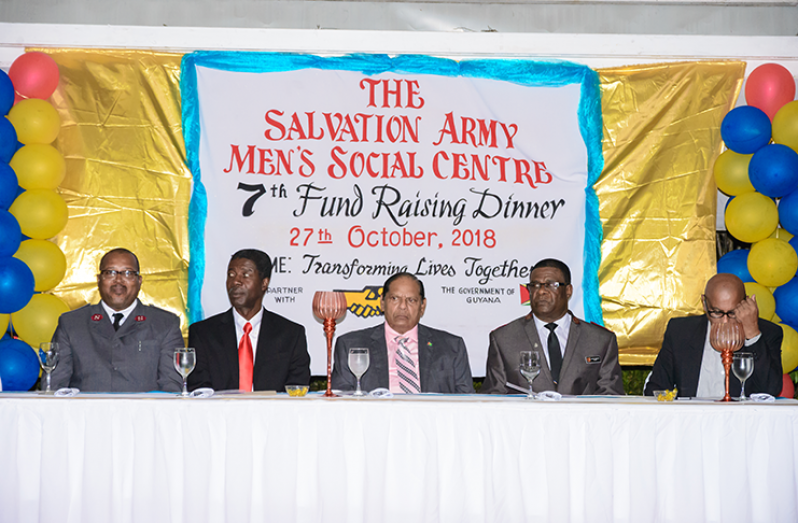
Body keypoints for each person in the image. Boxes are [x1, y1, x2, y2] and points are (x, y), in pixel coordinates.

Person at [482, 258, 624, 395]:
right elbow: (494, 398)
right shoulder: (504, 339)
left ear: (568, 290)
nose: (542, 291)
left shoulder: (599, 340)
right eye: (535, 285)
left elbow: (610, 397)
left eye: (550, 285)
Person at [50, 248, 183, 392]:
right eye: (110, 272)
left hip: (144, 413)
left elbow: (171, 388)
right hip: (85, 413)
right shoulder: (72, 323)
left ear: (139, 281)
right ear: (99, 280)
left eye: (128, 273)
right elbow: (54, 386)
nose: (118, 280)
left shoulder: (165, 324)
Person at [188, 249, 310, 392]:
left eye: (245, 274)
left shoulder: (291, 334)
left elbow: (297, 387)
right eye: (231, 275)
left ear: (264, 283)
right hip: (220, 413)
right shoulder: (203, 333)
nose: (236, 281)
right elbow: (199, 387)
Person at [331, 272, 474, 394]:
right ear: (382, 302)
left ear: (422, 306)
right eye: (395, 299)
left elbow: (467, 401)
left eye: (411, 300)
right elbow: (343, 399)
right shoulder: (351, 345)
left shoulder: (451, 347)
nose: (403, 306)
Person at [645, 273, 783, 398]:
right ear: (704, 304)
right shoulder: (681, 332)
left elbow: (770, 390)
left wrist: (752, 335)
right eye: (717, 313)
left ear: (745, 304)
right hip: (692, 420)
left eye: (733, 312)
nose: (725, 321)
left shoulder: (768, 333)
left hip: (743, 420)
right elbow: (657, 387)